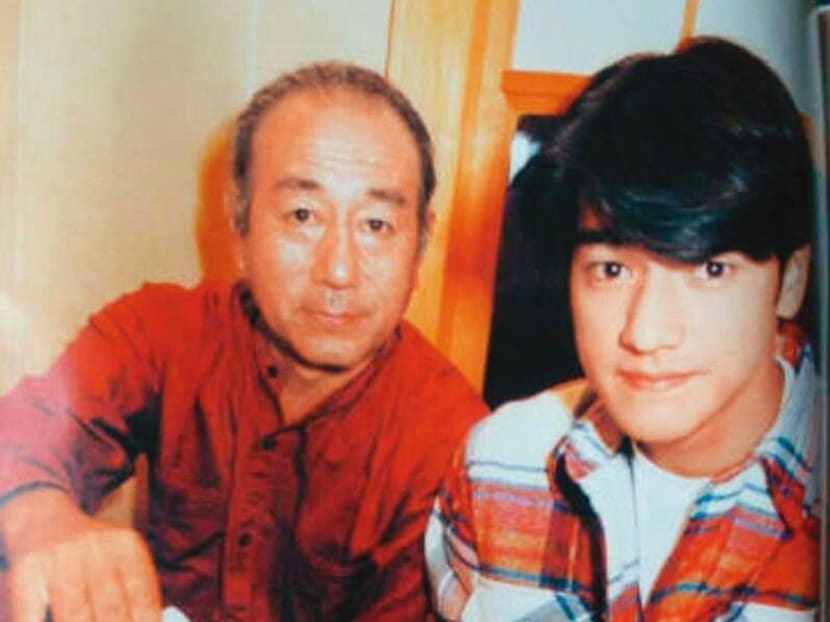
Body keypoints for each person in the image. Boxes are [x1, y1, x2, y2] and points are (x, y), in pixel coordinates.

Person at [0, 61, 487, 622]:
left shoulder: (451, 446)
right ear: (239, 227)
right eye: (303, 215)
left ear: (420, 245)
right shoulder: (164, 332)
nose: (339, 271)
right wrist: (39, 515)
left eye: (376, 225)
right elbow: (27, 428)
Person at [426, 37, 820, 621]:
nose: (646, 332)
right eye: (612, 270)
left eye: (709, 270)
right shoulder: (499, 467)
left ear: (790, 281)